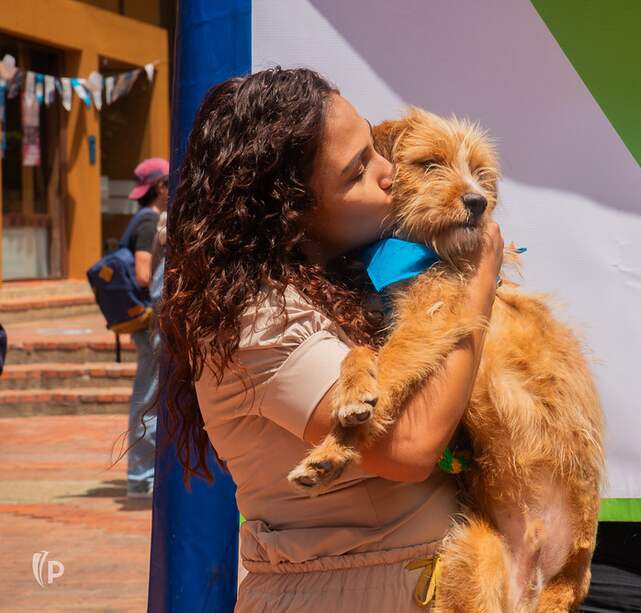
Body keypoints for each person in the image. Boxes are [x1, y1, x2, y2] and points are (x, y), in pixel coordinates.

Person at [157, 67, 504, 611]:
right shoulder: (260, 321)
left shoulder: (352, 280)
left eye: (375, 149)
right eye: (357, 170)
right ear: (291, 209)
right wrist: (479, 283)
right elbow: (408, 448)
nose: (388, 173)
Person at [125, 157, 169, 498]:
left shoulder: (147, 219)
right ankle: (142, 476)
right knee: (149, 398)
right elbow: (144, 274)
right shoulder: (149, 222)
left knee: (150, 396)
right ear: (161, 187)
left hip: (153, 320)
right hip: (155, 319)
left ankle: (144, 474)